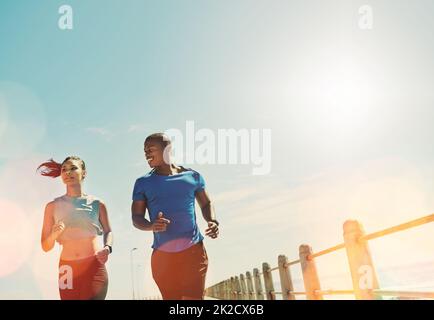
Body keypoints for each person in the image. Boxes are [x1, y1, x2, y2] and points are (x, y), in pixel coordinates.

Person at [131, 133, 219, 300]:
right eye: (144, 151)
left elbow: (206, 203)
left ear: (168, 149)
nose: (147, 154)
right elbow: (136, 217)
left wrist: (212, 221)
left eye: (150, 149)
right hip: (163, 256)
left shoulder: (193, 176)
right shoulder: (142, 183)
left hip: (193, 250)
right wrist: (151, 225)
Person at [38, 156, 113, 300]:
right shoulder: (52, 207)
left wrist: (107, 247)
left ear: (84, 173)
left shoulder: (98, 203)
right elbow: (46, 246)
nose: (68, 172)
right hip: (67, 268)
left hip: (93, 266)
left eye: (73, 168)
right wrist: (54, 234)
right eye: (64, 169)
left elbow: (108, 231)